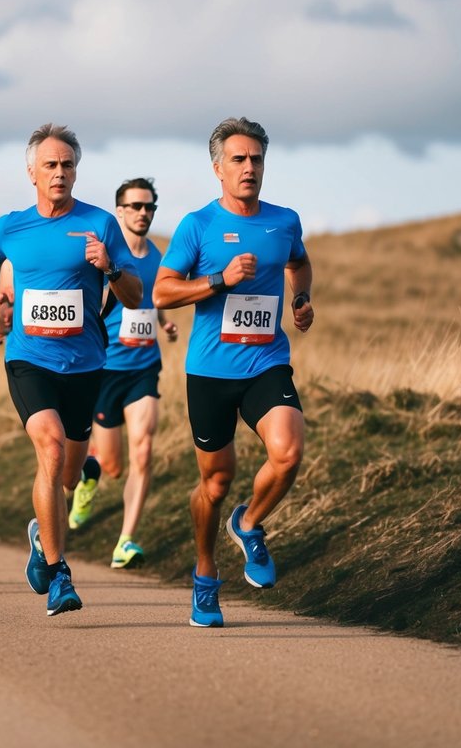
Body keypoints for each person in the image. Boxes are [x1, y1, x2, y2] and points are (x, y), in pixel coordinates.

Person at [0, 123, 141, 616]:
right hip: (29, 360)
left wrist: (109, 267)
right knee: (48, 448)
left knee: (67, 475)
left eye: (67, 164)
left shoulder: (100, 224)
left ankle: (39, 532)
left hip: (86, 364)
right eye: (50, 165)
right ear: (32, 173)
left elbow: (133, 296)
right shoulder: (10, 227)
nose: (60, 173)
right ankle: (61, 572)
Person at [152, 116, 314, 628]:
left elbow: (299, 263)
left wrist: (302, 298)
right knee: (215, 483)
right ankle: (205, 575)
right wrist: (220, 279)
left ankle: (248, 523)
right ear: (218, 169)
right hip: (210, 373)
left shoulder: (283, 221)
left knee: (287, 453)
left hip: (266, 361)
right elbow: (162, 292)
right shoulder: (197, 226)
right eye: (239, 160)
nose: (250, 168)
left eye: (257, 159)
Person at [68, 178, 180, 571]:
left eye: (149, 206)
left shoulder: (158, 256)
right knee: (113, 465)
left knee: (144, 450)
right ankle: (90, 475)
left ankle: (125, 540)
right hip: (105, 369)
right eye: (135, 206)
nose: (143, 213)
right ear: (120, 211)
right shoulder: (103, 256)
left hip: (143, 368)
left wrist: (164, 324)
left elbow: (154, 298)